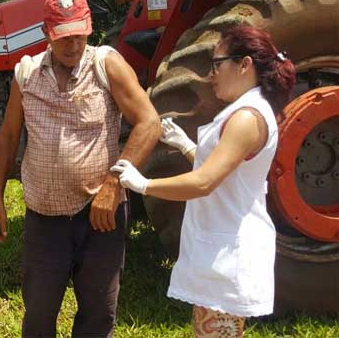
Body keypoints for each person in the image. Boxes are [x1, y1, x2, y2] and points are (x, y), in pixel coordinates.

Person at [0, 0, 161, 337]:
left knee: (98, 313)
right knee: (38, 313)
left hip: (100, 215)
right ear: (47, 34)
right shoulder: (27, 74)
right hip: (45, 218)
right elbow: (8, 135)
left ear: (89, 28)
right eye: (64, 37)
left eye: (80, 35)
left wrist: (113, 186)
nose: (73, 45)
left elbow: (149, 122)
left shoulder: (105, 64)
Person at [112, 26, 296, 337]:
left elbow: (205, 181)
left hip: (230, 251)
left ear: (244, 64)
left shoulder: (246, 118)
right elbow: (223, 169)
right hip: (222, 244)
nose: (211, 76)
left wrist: (143, 184)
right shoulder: (244, 111)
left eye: (216, 64)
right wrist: (185, 145)